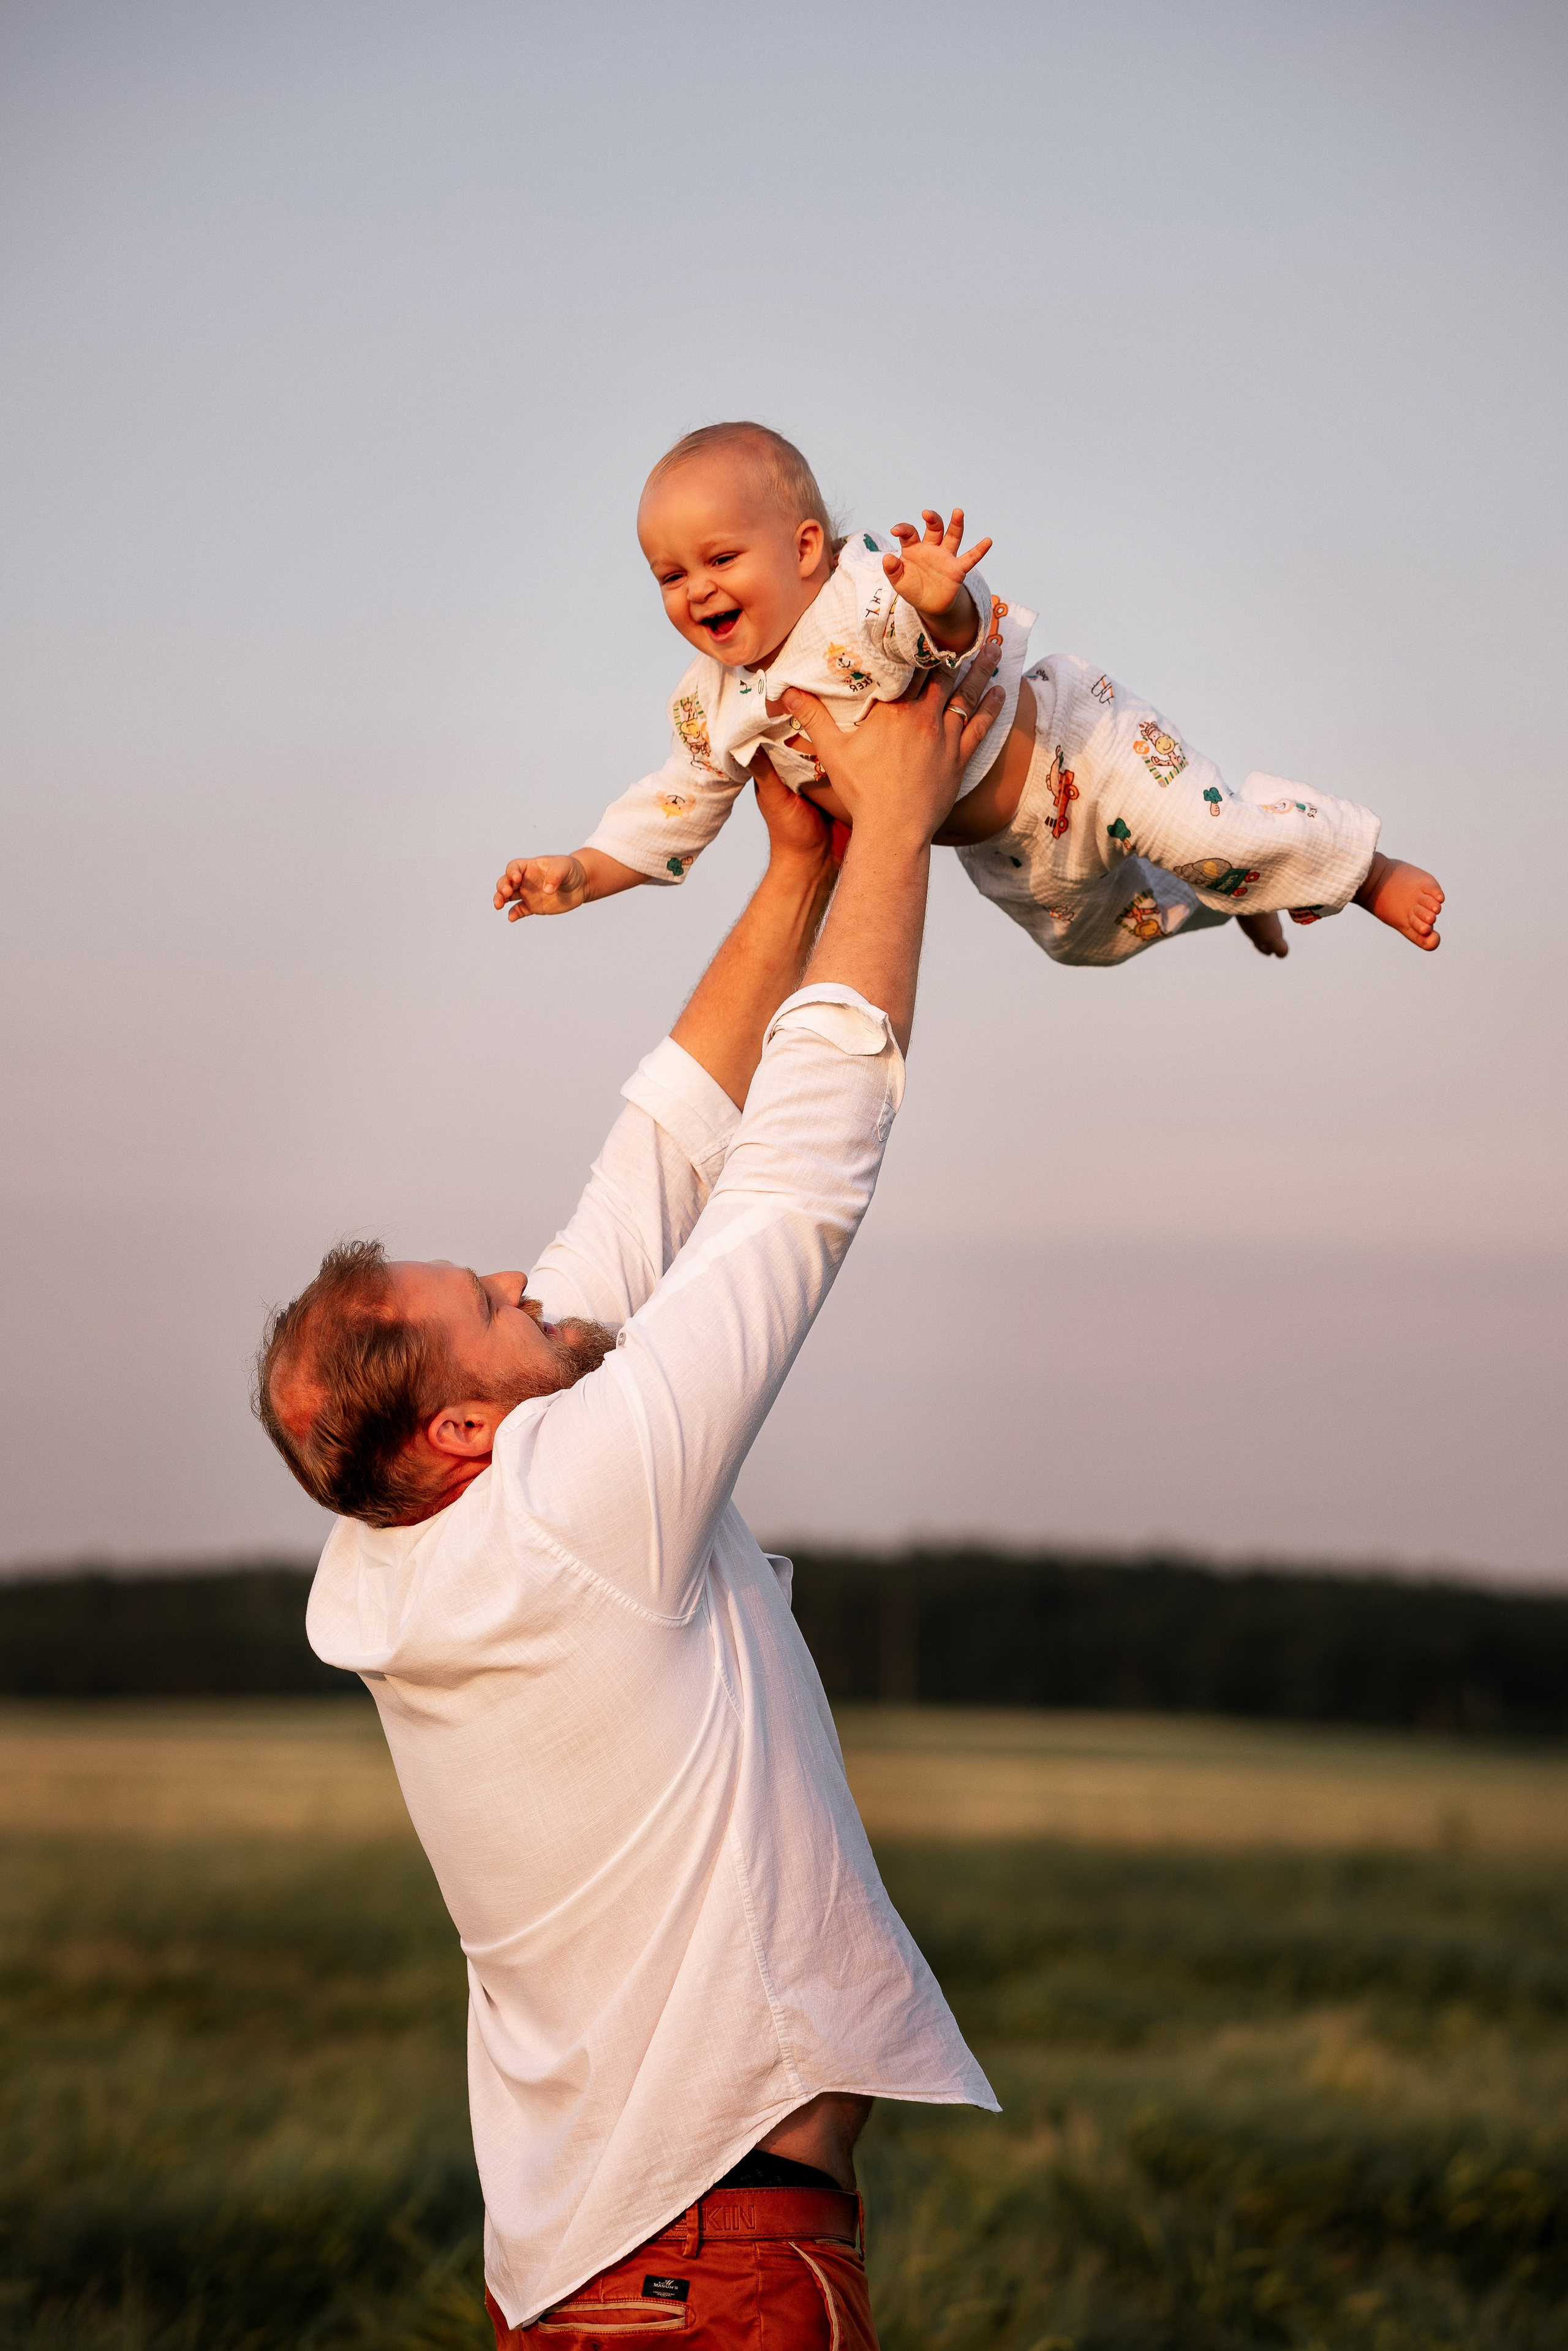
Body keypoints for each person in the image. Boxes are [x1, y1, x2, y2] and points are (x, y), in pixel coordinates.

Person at [254, 644, 1009, 2345]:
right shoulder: (577, 1503)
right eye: (495, 1304)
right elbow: (794, 1181)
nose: (531, 1277)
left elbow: (652, 1162)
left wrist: (792, 871)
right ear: (459, 1428)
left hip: (599, 2273)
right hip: (717, 2277)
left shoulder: (395, 1550)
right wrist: (893, 829)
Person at [494, 420, 1444, 967]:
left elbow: (952, 637)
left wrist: (944, 603)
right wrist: (582, 872)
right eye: (667, 575)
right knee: (1091, 943)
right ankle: (1234, 891)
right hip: (1006, 846)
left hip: (1085, 752)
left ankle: (1357, 869)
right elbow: (674, 805)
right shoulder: (717, 703)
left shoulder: (862, 596)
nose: (695, 588)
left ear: (806, 549)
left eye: (718, 558)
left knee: (1214, 835)